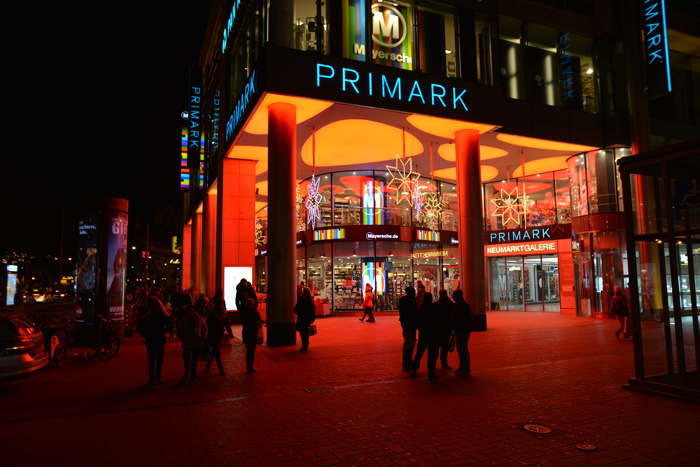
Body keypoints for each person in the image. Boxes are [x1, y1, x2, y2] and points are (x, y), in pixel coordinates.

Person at [138, 295, 170, 385]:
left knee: (152, 358)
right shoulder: (161, 314)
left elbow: (142, 325)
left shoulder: (147, 314)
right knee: (159, 358)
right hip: (159, 337)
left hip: (151, 338)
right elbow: (168, 324)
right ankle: (158, 376)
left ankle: (152, 377)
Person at [411, 292, 440, 380]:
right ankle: (431, 372)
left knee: (419, 353)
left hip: (423, 333)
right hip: (432, 333)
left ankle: (414, 370)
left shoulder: (420, 308)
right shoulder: (434, 308)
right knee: (432, 354)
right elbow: (437, 320)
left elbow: (416, 321)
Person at [175, 303, 208, 384]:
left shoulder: (185, 319)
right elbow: (205, 329)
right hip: (194, 342)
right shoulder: (198, 318)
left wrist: (182, 338)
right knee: (192, 360)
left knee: (189, 360)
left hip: (189, 342)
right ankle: (192, 375)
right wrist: (202, 338)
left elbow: (179, 330)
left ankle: (189, 375)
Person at [205, 289, 227, 376]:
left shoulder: (212, 302)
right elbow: (224, 312)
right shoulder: (220, 302)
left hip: (214, 329)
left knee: (215, 348)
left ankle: (209, 363)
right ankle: (220, 369)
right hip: (217, 329)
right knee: (216, 348)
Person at [451, 289, 472, 377]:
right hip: (464, 330)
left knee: (462, 349)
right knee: (462, 349)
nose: (453, 297)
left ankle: (465, 368)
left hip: (461, 330)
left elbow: (457, 318)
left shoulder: (459, 306)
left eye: (454, 295)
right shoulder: (464, 305)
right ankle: (463, 367)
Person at [240, 296, 262, 373]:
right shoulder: (255, 313)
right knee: (251, 351)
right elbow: (259, 323)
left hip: (246, 332)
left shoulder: (244, 312)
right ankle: (250, 367)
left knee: (248, 350)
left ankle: (248, 366)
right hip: (253, 333)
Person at [398, 286, 418, 371]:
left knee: (410, 343)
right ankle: (407, 363)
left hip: (407, 324)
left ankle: (408, 361)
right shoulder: (410, 301)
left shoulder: (404, 300)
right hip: (409, 324)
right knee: (409, 344)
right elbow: (413, 312)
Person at [435, 290, 454, 370]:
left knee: (436, 347)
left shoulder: (437, 304)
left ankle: (434, 364)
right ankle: (444, 363)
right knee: (444, 347)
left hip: (438, 328)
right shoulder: (449, 304)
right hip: (446, 328)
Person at [294, 287, 316, 351]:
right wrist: (312, 318)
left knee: (302, 331)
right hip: (307, 318)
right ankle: (305, 343)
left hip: (301, 317)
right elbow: (313, 309)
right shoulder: (310, 300)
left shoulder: (301, 298)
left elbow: (297, 307)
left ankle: (304, 344)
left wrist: (297, 311)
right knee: (306, 331)